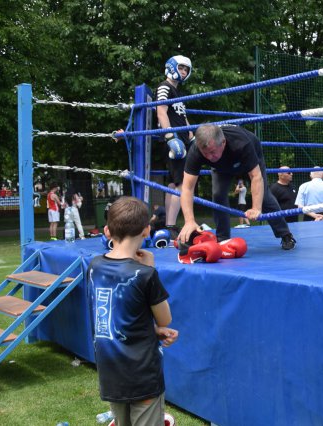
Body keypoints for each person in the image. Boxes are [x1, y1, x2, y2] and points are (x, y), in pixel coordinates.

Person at [87, 196, 178, 426]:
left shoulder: (94, 266)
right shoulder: (145, 274)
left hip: (110, 373)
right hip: (142, 376)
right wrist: (150, 268)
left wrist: (151, 331)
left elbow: (110, 316)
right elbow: (165, 318)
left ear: (107, 231)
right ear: (147, 230)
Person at [179, 124, 296, 250]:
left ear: (223, 142)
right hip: (222, 168)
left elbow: (256, 176)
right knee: (218, 195)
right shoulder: (196, 150)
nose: (209, 157)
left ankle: (285, 234)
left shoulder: (241, 143)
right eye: (205, 153)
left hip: (248, 161)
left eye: (212, 152)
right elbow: (187, 188)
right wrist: (189, 221)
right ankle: (223, 240)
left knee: (264, 197)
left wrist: (256, 208)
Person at [156, 55, 195, 237]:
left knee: (173, 183)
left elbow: (182, 116)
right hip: (174, 140)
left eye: (186, 69)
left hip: (182, 139)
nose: (184, 71)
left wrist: (191, 134)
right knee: (181, 183)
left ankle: (168, 225)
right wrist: (170, 136)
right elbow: (161, 112)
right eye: (181, 68)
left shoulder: (178, 92)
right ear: (171, 67)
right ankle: (171, 226)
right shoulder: (164, 87)